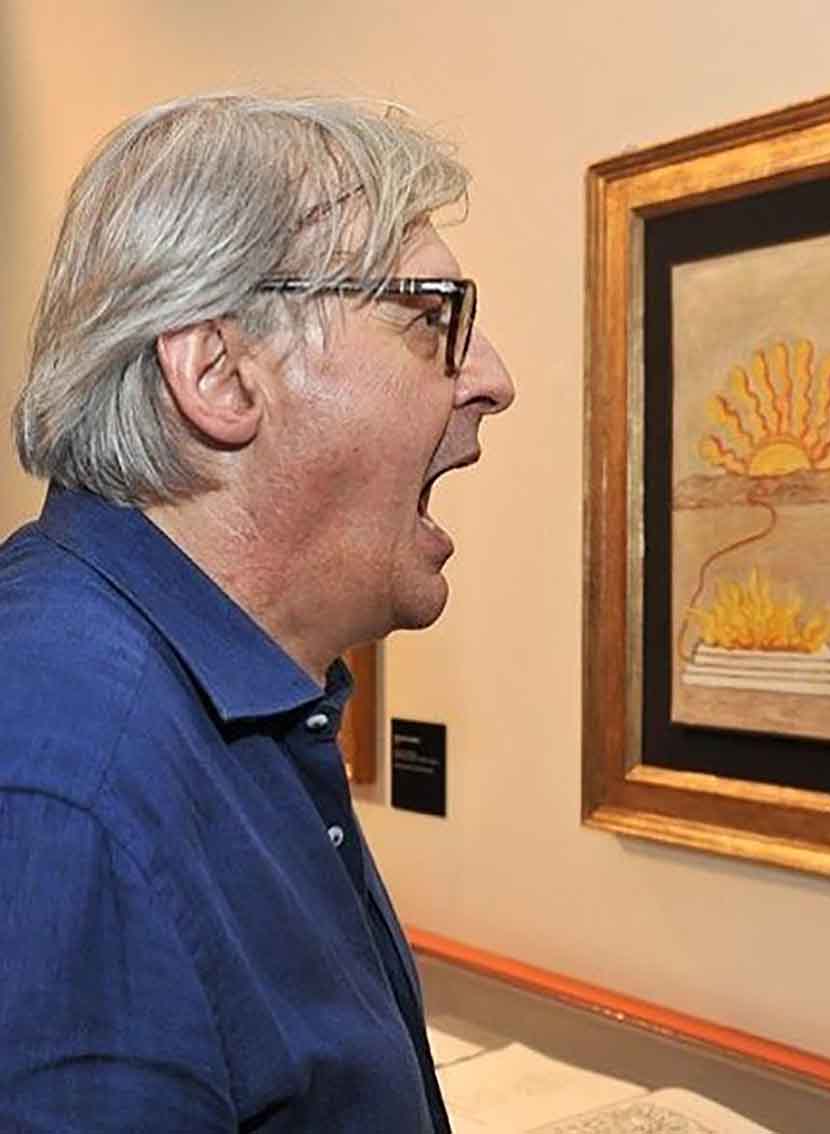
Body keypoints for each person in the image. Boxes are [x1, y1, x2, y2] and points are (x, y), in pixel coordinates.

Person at [0, 94, 514, 1132]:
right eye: (431, 320)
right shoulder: (67, 785)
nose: (492, 381)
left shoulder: (226, 698)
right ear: (221, 375)